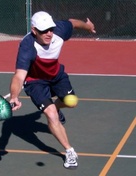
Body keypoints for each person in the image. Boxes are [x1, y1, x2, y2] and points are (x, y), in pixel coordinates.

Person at [9, 11, 96, 169]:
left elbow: (73, 22)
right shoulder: (27, 46)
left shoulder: (59, 30)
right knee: (51, 115)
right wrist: (14, 96)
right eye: (44, 30)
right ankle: (69, 151)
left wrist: (88, 26)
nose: (49, 33)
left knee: (71, 103)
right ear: (34, 30)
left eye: (51, 29)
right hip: (35, 82)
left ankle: (55, 107)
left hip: (57, 76)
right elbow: (19, 76)